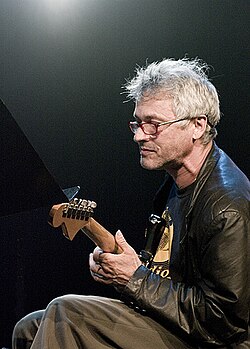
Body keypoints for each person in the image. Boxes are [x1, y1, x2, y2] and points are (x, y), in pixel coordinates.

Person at [12, 58, 249, 348]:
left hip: (210, 341)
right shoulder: (175, 184)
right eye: (137, 123)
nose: (138, 135)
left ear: (197, 125)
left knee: (65, 313)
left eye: (153, 124)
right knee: (30, 327)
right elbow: (167, 275)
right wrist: (123, 267)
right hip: (175, 323)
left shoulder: (227, 207)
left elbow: (224, 321)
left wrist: (134, 278)